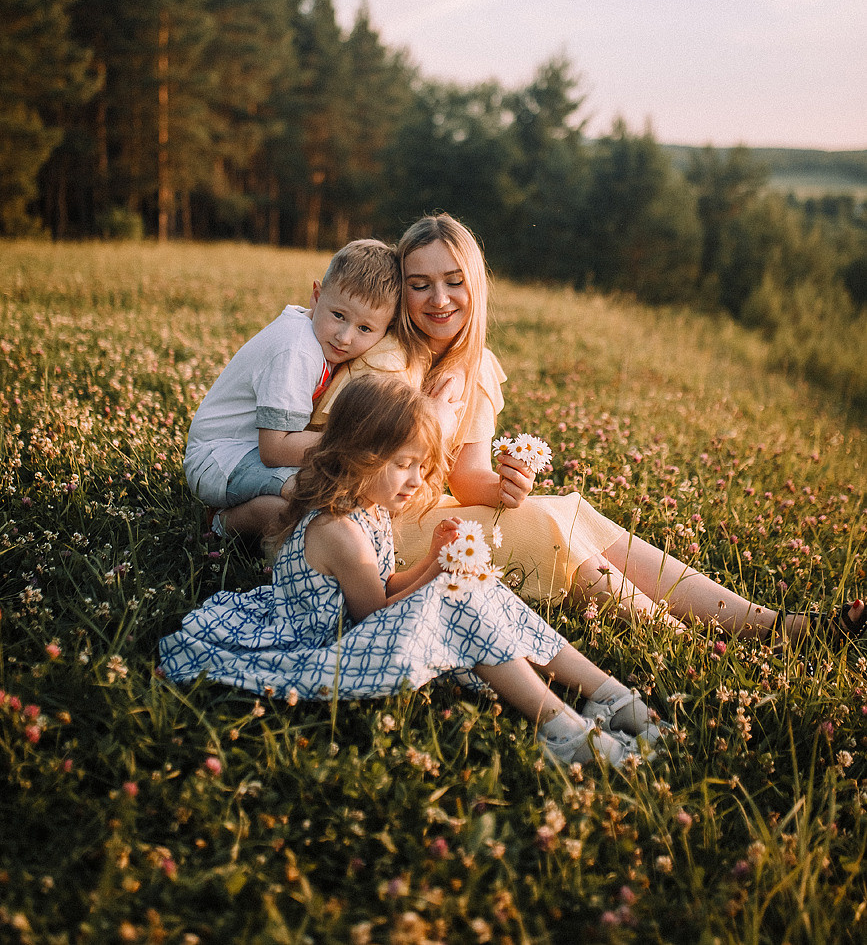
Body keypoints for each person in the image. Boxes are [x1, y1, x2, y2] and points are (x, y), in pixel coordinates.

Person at [388, 214, 866, 652]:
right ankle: (697, 647)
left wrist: (507, 485)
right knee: (548, 526)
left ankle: (773, 625)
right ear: (400, 290)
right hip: (390, 532)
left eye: (455, 282)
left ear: (476, 286)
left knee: (569, 510)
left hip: (440, 511)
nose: (439, 299)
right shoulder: (387, 357)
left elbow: (467, 479)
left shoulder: (476, 366)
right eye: (420, 284)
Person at [160, 376, 665, 770]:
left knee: (475, 587)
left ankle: (607, 695)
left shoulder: (368, 509)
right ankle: (562, 729)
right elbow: (372, 610)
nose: (416, 480)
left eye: (422, 467)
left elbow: (381, 589)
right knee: (460, 596)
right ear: (357, 455)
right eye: (403, 464)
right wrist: (435, 576)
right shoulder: (339, 531)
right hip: (328, 650)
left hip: (358, 625)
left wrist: (431, 563)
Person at [184, 238, 407, 539]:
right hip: (220, 458)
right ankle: (221, 524)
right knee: (316, 499)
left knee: (308, 503)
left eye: (364, 329)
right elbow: (274, 450)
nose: (344, 336)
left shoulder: (319, 339)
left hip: (246, 455)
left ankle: (239, 515)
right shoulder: (297, 351)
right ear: (317, 296)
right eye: (338, 316)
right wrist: (353, 445)